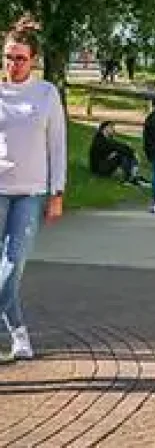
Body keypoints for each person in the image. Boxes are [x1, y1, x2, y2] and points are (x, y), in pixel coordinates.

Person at [0, 18, 66, 363]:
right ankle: (19, 335)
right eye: (8, 57)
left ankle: (17, 333)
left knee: (13, 265)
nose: (13, 65)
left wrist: (57, 192)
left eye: (20, 58)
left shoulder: (46, 94)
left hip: (30, 192)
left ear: (34, 60)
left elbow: (57, 144)